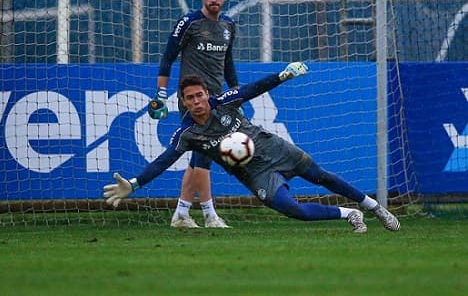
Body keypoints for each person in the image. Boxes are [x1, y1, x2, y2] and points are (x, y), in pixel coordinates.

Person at [104, 62, 401, 233]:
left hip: (275, 149)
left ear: (207, 94)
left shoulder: (225, 102)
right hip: (256, 175)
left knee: (321, 176)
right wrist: (134, 183)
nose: (196, 102)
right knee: (291, 210)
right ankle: (349, 214)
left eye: (199, 95)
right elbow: (164, 160)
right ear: (182, 101)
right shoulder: (188, 134)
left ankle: (375, 208)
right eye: (189, 98)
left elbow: (252, 89)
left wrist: (282, 76)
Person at [148, 0, 238, 228]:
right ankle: (209, 215)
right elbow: (167, 58)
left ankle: (182, 214)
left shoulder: (229, 26)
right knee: (203, 154)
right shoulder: (189, 22)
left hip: (216, 101)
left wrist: (236, 94)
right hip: (192, 101)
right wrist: (161, 95)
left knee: (200, 155)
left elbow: (228, 65)